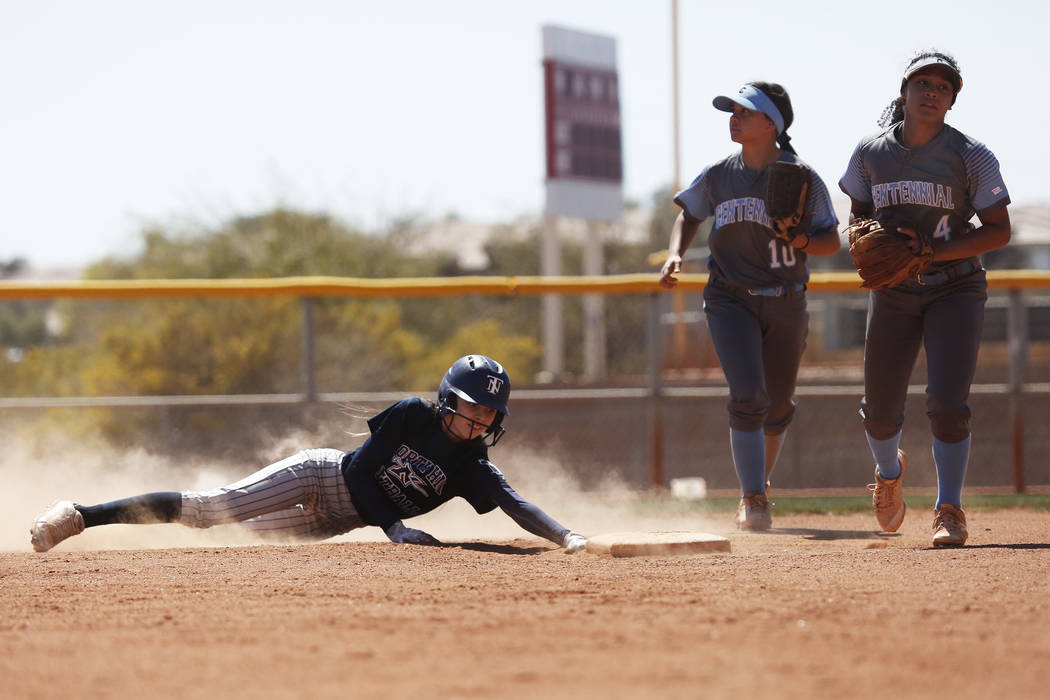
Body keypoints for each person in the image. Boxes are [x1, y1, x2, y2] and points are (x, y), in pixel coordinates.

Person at [29, 354, 588, 554]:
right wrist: (394, 529)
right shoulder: (410, 415)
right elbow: (366, 476)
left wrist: (566, 536)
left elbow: (516, 504)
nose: (483, 420)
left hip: (333, 524)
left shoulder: (472, 467)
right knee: (211, 510)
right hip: (320, 479)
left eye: (491, 414)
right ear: (448, 401)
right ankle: (80, 515)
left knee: (235, 536)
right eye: (475, 407)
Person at [839, 51, 1011, 546]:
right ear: (904, 91)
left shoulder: (970, 154)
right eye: (923, 82)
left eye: (943, 86)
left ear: (952, 100)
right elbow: (858, 217)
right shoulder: (871, 152)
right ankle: (888, 474)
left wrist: (934, 251)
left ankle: (949, 509)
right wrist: (868, 241)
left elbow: (998, 230)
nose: (932, 91)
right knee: (879, 408)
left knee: (948, 404)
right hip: (894, 289)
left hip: (955, 285)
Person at [659, 82, 840, 530]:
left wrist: (801, 239)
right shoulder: (721, 173)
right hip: (729, 298)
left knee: (777, 407)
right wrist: (675, 252)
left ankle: (758, 484)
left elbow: (830, 242)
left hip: (786, 302)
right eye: (732, 111)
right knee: (748, 397)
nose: (734, 118)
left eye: (745, 111)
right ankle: (753, 497)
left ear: (771, 124)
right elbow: (689, 213)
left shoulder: (801, 176)